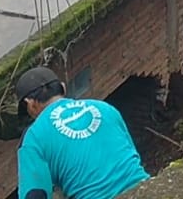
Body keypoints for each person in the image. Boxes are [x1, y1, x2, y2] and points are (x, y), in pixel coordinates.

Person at [14, 67, 149, 199]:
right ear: (63, 88)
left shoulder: (33, 137)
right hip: (147, 188)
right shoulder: (105, 108)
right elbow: (132, 154)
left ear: (30, 104)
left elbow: (35, 195)